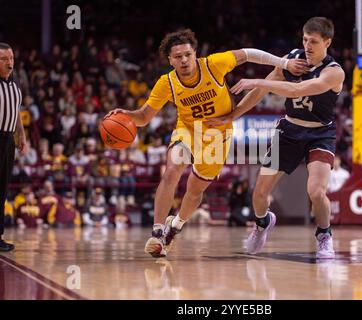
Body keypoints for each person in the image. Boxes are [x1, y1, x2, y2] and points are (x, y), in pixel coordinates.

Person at [106, 29, 307, 257]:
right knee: (172, 170)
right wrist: (127, 115)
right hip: (188, 129)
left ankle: (177, 225)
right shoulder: (167, 83)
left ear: (195, 53)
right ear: (170, 60)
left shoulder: (213, 65)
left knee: (194, 191)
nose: (183, 60)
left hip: (216, 135)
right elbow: (143, 117)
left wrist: (283, 62)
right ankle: (158, 231)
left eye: (187, 54)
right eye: (178, 56)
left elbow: (249, 54)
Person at [206, 17, 344, 258]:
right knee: (259, 194)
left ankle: (324, 234)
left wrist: (256, 80)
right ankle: (262, 223)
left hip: (320, 134)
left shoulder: (334, 72)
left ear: (327, 42)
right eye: (304, 39)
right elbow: (261, 90)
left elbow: (297, 90)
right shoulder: (292, 59)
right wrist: (233, 116)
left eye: (313, 41)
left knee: (316, 192)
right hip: (289, 131)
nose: (307, 46)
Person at [0, 42, 28, 251]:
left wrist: (21, 133)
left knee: (2, 189)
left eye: (11, 58)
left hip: (8, 139)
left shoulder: (15, 82)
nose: (10, 63)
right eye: (4, 59)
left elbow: (16, 111)